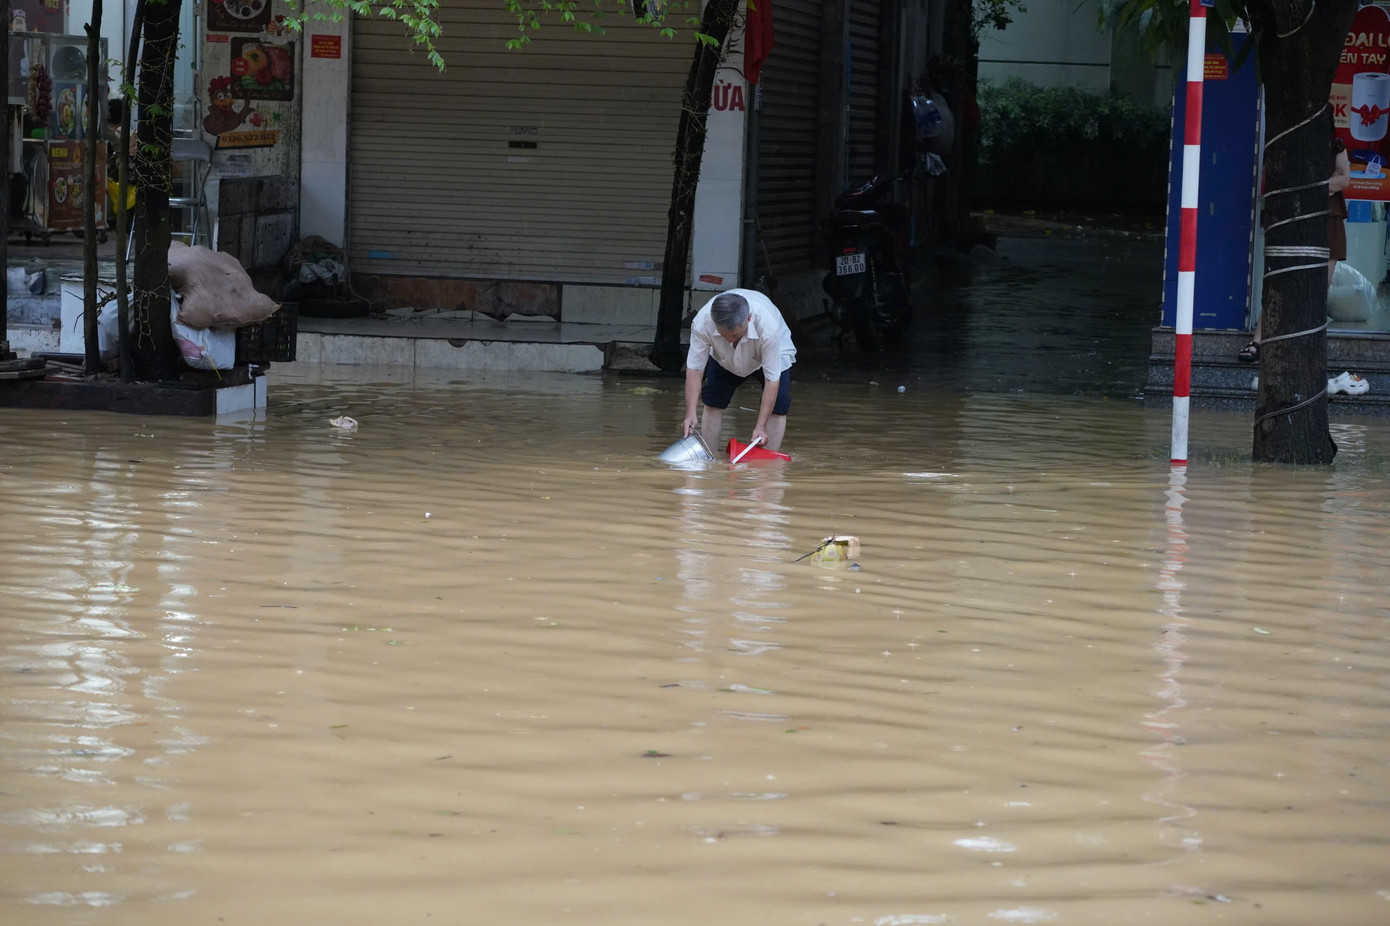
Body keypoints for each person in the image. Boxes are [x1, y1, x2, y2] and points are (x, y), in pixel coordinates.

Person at [1240, 136, 1351, 362]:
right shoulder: (1289, 142)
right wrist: (1324, 185)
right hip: (1294, 219)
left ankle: (1307, 342)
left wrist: (1306, 187)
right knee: (1281, 280)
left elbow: (1344, 179)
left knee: (1321, 285)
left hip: (1330, 218)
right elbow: (1278, 182)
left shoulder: (1335, 144)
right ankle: (1258, 340)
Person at [683, 289, 797, 452]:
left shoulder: (767, 326)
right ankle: (710, 456)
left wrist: (760, 426)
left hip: (768, 353)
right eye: (723, 335)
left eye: (734, 335)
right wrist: (690, 412)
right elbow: (695, 369)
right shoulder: (702, 322)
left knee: (779, 405)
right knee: (713, 400)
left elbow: (772, 380)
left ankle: (769, 460)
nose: (729, 339)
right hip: (723, 357)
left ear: (748, 318)